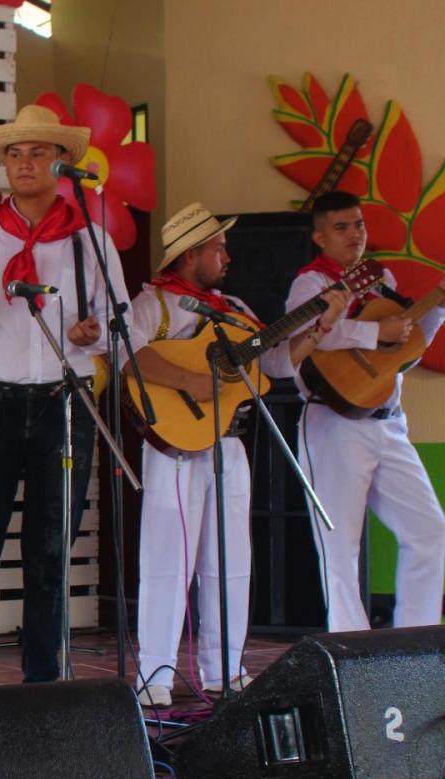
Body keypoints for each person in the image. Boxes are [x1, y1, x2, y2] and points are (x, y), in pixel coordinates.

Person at [127, 203, 347, 708]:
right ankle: (154, 675)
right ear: (190, 254)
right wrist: (195, 381)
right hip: (175, 445)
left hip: (230, 440)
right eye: (217, 247)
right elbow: (132, 357)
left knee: (231, 561)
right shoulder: (153, 304)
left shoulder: (234, 309)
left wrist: (317, 328)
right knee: (168, 560)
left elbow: (273, 364)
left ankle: (224, 669)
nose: (227, 255)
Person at [0, 104, 112, 688]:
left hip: (66, 402)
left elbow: (116, 320)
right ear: (3, 164)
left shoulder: (92, 241)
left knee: (51, 554)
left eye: (37, 151)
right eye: (15, 152)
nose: (25, 162)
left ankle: (42, 685)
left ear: (61, 161)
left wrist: (94, 333)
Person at [287, 190, 445, 633]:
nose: (354, 234)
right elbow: (302, 340)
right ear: (319, 237)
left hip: (388, 423)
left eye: (358, 224)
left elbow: (404, 348)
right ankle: (352, 652)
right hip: (334, 422)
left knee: (429, 529)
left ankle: (417, 641)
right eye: (341, 227)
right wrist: (374, 330)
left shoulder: (380, 277)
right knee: (339, 548)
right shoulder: (310, 283)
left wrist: (437, 309)